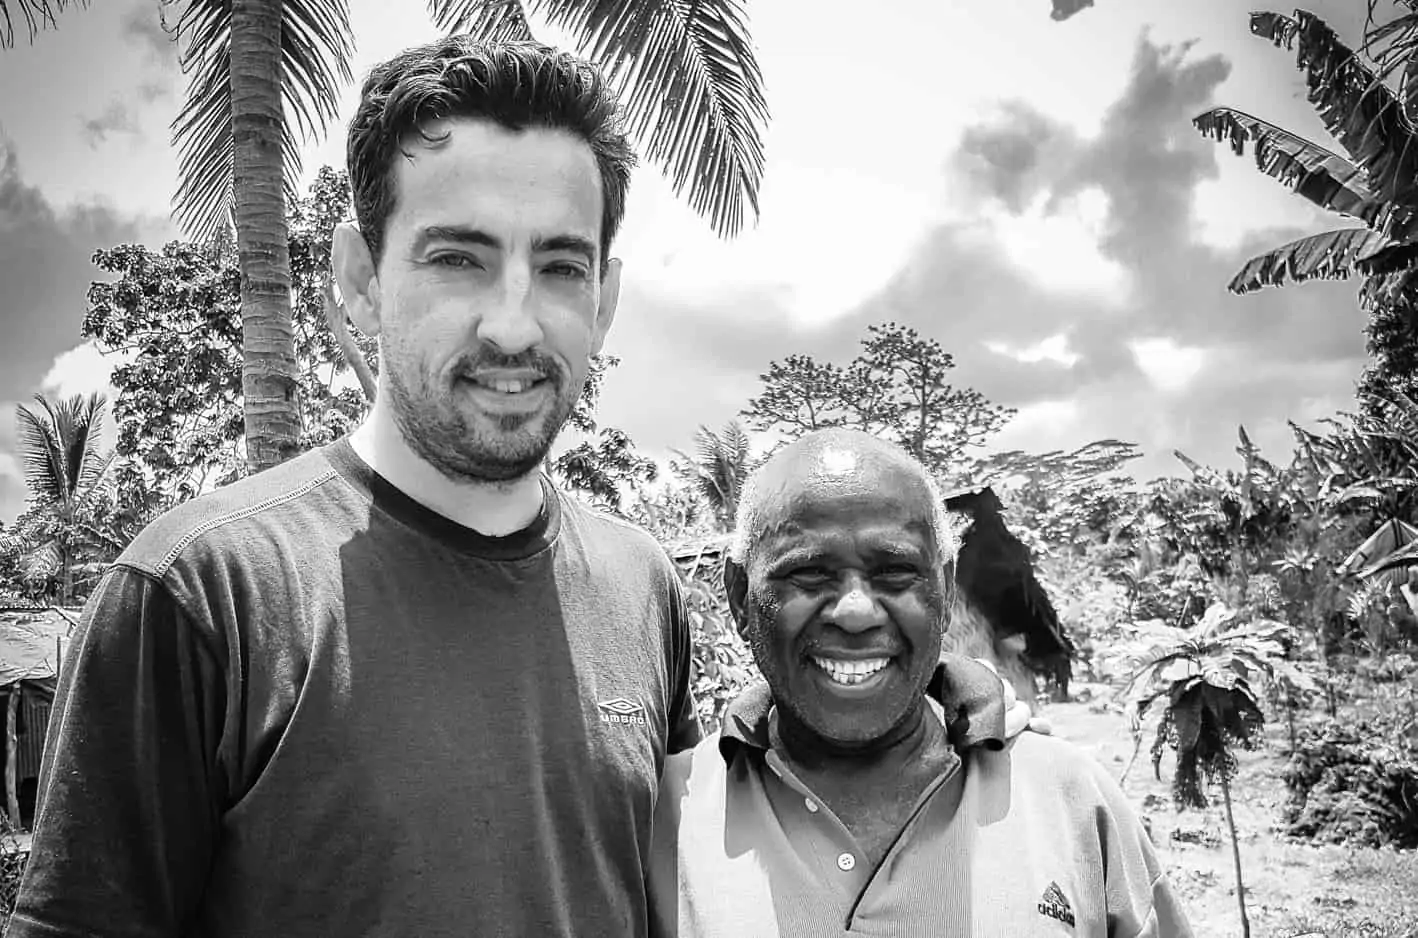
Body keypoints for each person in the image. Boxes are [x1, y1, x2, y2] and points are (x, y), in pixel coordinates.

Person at [8, 38, 702, 938]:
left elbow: (678, 897)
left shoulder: (643, 584)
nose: (513, 324)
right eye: (458, 258)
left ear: (603, 299)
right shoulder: (202, 594)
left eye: (562, 268)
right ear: (361, 279)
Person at [648, 429, 1193, 938]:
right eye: (809, 573)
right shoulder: (662, 818)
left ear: (946, 591)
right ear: (740, 597)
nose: (856, 612)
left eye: (895, 572)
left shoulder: (1069, 799)